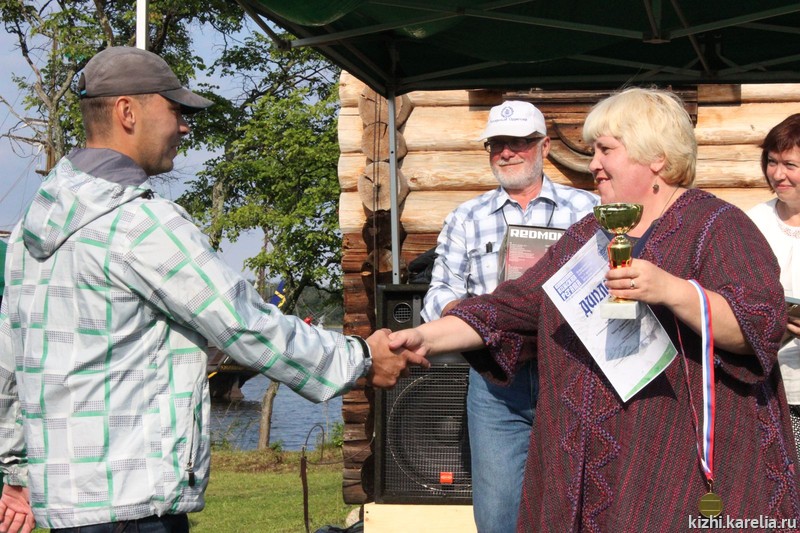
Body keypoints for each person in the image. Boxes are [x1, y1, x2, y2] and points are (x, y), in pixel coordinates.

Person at [0, 46, 427, 533]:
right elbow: (245, 323)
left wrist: (16, 471)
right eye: (175, 110)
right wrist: (362, 358)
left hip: (72, 505)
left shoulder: (34, 225)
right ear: (127, 112)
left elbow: (9, 358)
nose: (185, 127)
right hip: (134, 506)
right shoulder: (139, 224)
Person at [392, 87, 800, 530]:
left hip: (673, 461)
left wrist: (671, 290)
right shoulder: (590, 233)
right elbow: (516, 306)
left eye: (606, 150)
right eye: (593, 151)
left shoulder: (717, 225)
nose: (593, 164)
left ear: (656, 157)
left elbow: (757, 326)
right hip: (585, 453)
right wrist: (423, 337)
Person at [421, 100, 598, 532]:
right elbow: (439, 291)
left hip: (573, 373)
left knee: (577, 503)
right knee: (498, 511)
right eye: (497, 143)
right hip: (496, 383)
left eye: (519, 141)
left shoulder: (588, 209)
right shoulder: (466, 217)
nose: (506, 152)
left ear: (544, 146)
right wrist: (465, 313)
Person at [748, 114, 800, 445]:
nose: (778, 174)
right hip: (768, 388)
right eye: (772, 162)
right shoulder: (752, 222)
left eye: (790, 165)